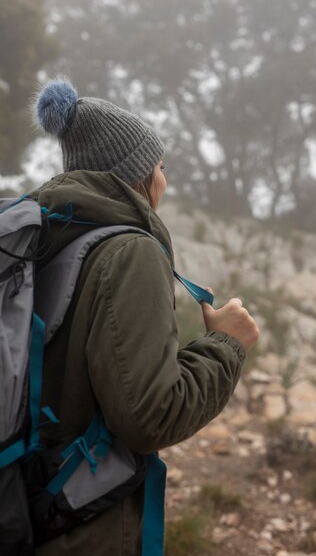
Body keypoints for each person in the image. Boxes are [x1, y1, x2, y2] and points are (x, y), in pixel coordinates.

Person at [30, 79, 259, 556]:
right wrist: (227, 344)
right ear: (137, 174)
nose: (164, 180)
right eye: (160, 166)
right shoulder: (130, 252)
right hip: (81, 524)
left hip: (25, 503)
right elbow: (150, 416)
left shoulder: (45, 238)